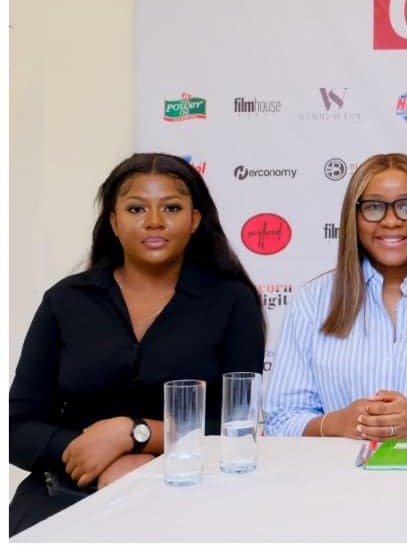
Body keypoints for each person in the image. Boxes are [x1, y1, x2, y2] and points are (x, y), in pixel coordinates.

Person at [9, 153, 265, 535]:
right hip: (66, 490)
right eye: (136, 209)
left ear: (195, 220)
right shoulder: (66, 300)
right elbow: (17, 426)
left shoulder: (232, 301)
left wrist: (134, 435)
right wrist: (87, 453)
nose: (154, 221)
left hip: (191, 491)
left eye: (172, 208)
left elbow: (236, 426)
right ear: (113, 221)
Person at [265, 153, 407, 441]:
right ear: (354, 217)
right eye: (374, 207)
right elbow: (280, 420)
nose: (391, 221)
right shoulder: (312, 302)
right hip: (335, 470)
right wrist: (336, 424)